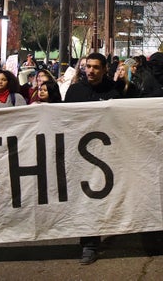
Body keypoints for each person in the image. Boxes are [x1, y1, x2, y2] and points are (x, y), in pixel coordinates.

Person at [64, 52, 121, 265]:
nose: (91, 71)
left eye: (96, 67)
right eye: (88, 66)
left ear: (105, 69)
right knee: (88, 199)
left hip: (111, 155)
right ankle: (89, 243)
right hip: (82, 157)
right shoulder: (75, 91)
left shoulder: (116, 91)